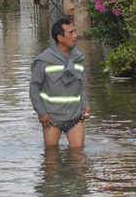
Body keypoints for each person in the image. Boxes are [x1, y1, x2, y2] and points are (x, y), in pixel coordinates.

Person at [30, 18, 91, 148]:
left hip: (75, 117)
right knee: (51, 159)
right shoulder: (44, 60)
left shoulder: (78, 59)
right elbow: (34, 88)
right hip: (51, 119)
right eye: (71, 33)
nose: (75, 36)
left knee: (79, 157)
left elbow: (82, 86)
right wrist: (42, 113)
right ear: (60, 38)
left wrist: (85, 105)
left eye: (75, 31)